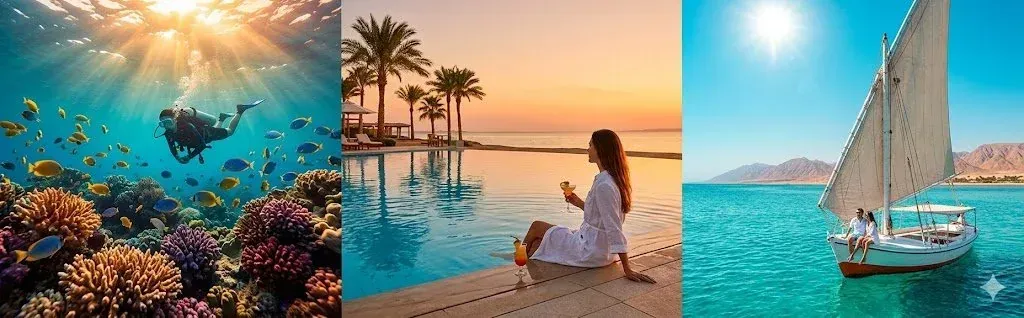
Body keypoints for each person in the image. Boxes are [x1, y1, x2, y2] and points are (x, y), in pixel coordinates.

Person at [521, 129, 656, 284]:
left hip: (590, 250)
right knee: (537, 245)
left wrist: (627, 269)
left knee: (536, 227)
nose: (588, 149)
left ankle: (517, 260)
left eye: (590, 145)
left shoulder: (604, 185)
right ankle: (525, 256)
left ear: (600, 149)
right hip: (601, 249)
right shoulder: (613, 179)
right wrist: (577, 202)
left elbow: (613, 227)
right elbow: (600, 216)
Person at [156, 99, 263, 164]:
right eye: (162, 124)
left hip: (207, 134)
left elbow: (202, 145)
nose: (166, 126)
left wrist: (189, 157)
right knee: (215, 131)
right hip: (204, 137)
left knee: (230, 131)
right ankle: (222, 118)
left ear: (175, 119)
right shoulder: (168, 132)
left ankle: (240, 110)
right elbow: (172, 147)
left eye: (168, 122)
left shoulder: (188, 126)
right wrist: (177, 157)